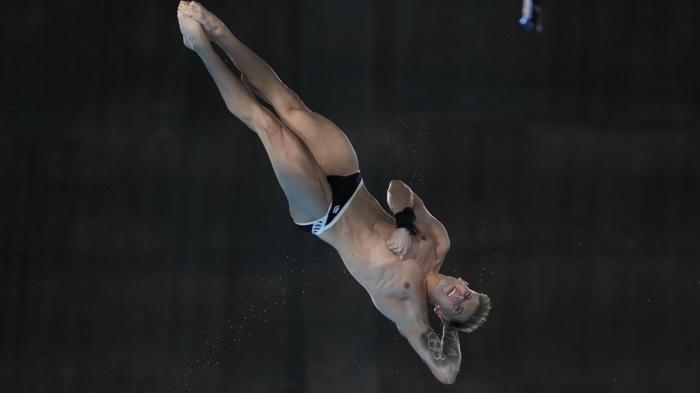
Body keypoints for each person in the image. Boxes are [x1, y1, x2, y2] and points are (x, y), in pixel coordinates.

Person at [176, 1, 491, 384]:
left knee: (269, 127)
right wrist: (406, 223)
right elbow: (398, 188)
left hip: (325, 214)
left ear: (442, 313)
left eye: (456, 306)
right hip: (350, 180)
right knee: (288, 103)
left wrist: (454, 329)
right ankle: (219, 31)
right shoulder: (437, 242)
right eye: (466, 293)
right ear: (465, 282)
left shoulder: (407, 309)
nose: (458, 295)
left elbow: (446, 374)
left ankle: (200, 48)